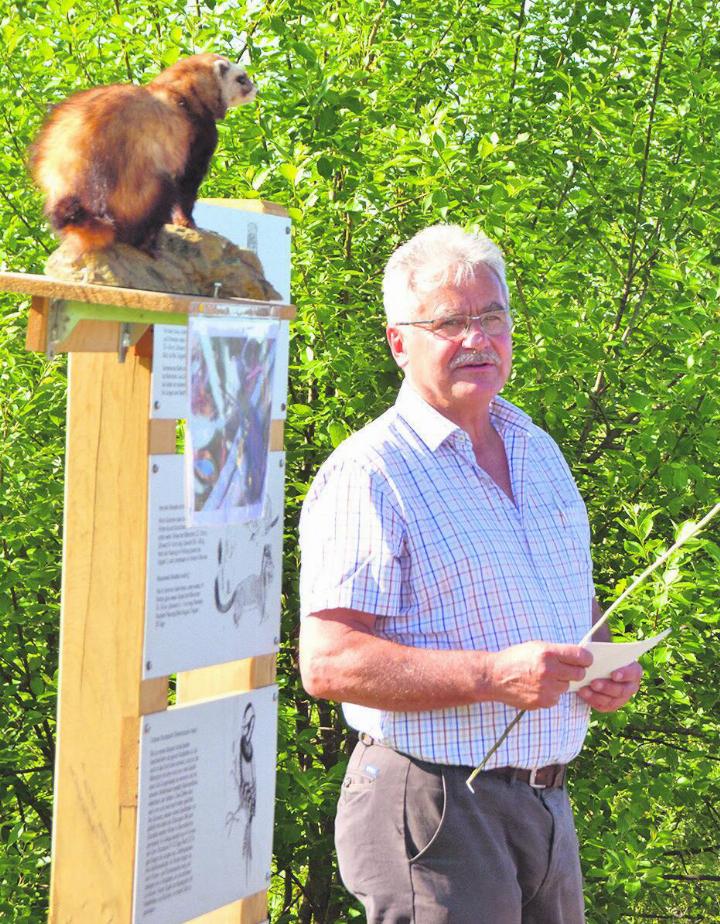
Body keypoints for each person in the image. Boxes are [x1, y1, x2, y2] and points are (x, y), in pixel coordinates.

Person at [298, 224, 643, 924]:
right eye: (450, 322)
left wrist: (603, 660)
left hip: (546, 803)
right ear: (399, 341)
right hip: (435, 803)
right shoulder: (371, 471)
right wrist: (491, 675)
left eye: (492, 317)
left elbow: (567, 601)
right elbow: (328, 663)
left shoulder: (537, 449)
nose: (477, 339)